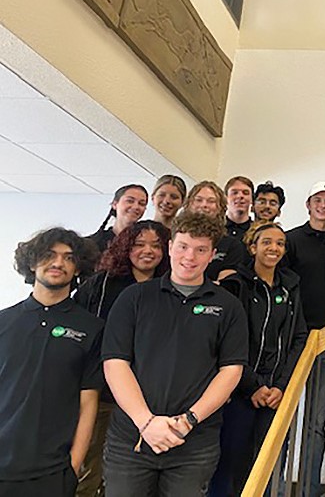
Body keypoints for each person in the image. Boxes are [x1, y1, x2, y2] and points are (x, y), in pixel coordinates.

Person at [102, 212, 248, 497]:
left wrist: (187, 421)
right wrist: (146, 422)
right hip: (131, 440)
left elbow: (231, 370)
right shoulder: (134, 298)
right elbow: (115, 363)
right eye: (182, 246)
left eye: (200, 249)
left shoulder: (228, 307)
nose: (189, 256)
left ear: (212, 255)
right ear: (170, 247)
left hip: (193, 444)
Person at [209, 221, 308, 497]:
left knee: (267, 465)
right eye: (267, 242)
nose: (273, 248)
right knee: (229, 466)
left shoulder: (290, 287)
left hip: (275, 393)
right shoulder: (235, 285)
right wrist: (253, 386)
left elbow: (299, 337)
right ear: (253, 247)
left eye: (279, 243)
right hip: (239, 390)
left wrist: (280, 386)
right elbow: (227, 342)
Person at [1, 228, 101, 497]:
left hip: (53, 471)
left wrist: (74, 465)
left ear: (78, 269)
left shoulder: (92, 329)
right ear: (32, 263)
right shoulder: (4, 322)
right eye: (49, 255)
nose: (58, 263)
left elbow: (88, 402)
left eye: (68, 258)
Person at [73, 220, 170, 497]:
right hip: (102, 396)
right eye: (139, 244)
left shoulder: (172, 288)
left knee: (132, 481)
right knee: (89, 473)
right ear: (125, 247)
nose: (147, 251)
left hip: (150, 400)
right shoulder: (100, 285)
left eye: (156, 245)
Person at [284, 181, 325, 497]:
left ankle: (307, 490)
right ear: (308, 204)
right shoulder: (290, 240)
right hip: (292, 341)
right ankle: (274, 488)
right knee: (283, 419)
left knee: (315, 424)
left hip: (324, 340)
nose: (322, 205)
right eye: (318, 200)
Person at [183, 181, 247, 281]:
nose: (204, 205)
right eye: (199, 200)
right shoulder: (176, 237)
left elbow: (224, 285)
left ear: (220, 208)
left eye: (211, 201)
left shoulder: (232, 245)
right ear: (189, 204)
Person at [86, 184, 148, 255]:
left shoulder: (145, 243)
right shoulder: (91, 244)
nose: (136, 206)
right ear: (115, 204)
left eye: (141, 203)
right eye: (130, 201)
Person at [225, 176, 255, 241]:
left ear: (252, 199)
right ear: (226, 199)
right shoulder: (215, 229)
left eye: (245, 193)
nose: (240, 196)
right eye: (234, 193)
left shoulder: (257, 231)